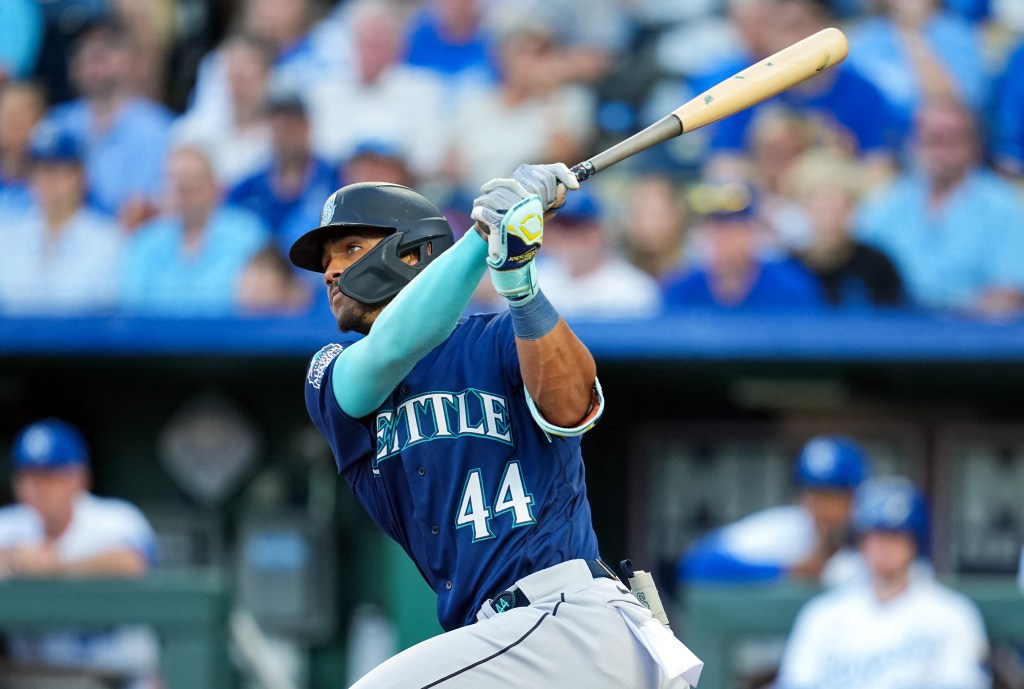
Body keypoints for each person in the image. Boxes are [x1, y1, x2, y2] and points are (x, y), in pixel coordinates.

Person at [289, 164, 701, 687]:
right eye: (325, 261)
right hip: (498, 641)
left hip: (565, 619)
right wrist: (482, 237)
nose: (330, 272)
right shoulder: (331, 373)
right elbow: (394, 345)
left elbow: (572, 407)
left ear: (412, 253)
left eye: (350, 249)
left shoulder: (500, 338)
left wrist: (521, 287)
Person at [776, 475, 991, 689]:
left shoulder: (951, 614)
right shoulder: (823, 615)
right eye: (876, 536)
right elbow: (796, 682)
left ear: (915, 542)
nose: (884, 547)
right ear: (861, 542)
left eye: (895, 536)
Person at [0, 418, 160, 687]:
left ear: (80, 479)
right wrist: (14, 559)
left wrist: (57, 566)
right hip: (38, 679)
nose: (35, 489)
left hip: (121, 678)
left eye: (49, 477)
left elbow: (135, 561)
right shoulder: (9, 525)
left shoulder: (115, 518)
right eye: (27, 477)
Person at [853, 99, 1024, 315]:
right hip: (892, 330)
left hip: (972, 333)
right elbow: (850, 265)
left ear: (975, 146)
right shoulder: (887, 203)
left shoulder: (1004, 209)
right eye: (931, 139)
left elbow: (1009, 296)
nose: (939, 151)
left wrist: (946, 315)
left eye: (951, 140)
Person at [678, 435, 870, 586]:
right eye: (813, 495)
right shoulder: (792, 527)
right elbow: (699, 563)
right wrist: (787, 572)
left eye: (832, 497)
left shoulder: (877, 536)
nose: (820, 508)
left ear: (855, 497)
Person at [42, 17, 172, 227]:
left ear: (130, 63)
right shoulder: (57, 122)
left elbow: (150, 205)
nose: (92, 66)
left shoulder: (158, 128)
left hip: (127, 235)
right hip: (61, 234)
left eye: (101, 57)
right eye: (83, 56)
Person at [120, 146, 269, 316]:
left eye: (193, 183)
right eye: (177, 185)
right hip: (155, 333)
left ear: (214, 186)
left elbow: (260, 305)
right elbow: (131, 312)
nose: (184, 195)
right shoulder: (144, 243)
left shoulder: (249, 236)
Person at [0, 122, 124, 315]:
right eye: (40, 170)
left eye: (59, 170)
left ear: (82, 177)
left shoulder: (108, 240)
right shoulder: (7, 236)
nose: (48, 181)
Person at [662, 179, 826, 311]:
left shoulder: (790, 288)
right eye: (716, 227)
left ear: (753, 231)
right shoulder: (681, 290)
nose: (723, 238)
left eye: (733, 228)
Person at [786, 151, 905, 307]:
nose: (828, 211)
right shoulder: (789, 265)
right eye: (820, 202)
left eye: (835, 202)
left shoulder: (877, 265)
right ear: (805, 206)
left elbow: (895, 315)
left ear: (851, 207)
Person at [536, 188, 662, 318]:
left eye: (576, 227)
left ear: (598, 231)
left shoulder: (633, 289)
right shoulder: (536, 282)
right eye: (561, 227)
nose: (567, 237)